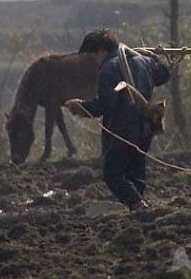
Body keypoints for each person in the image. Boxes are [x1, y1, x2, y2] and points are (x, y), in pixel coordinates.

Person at [65, 30, 170, 212]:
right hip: (145, 128)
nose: (93, 63)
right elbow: (164, 74)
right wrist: (152, 56)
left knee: (112, 174)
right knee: (135, 173)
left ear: (100, 51)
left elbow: (107, 104)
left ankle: (137, 205)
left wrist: (81, 106)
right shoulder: (143, 61)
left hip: (121, 132)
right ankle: (137, 212)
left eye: (92, 57)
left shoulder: (108, 69)